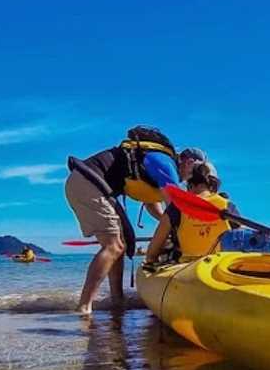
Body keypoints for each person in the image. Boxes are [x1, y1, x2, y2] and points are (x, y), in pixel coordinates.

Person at [64, 126, 208, 314]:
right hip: (89, 183)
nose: (192, 177)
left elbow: (152, 204)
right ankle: (84, 306)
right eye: (196, 170)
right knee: (113, 246)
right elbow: (175, 209)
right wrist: (177, 233)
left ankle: (117, 300)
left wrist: (165, 226)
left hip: (88, 183)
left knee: (120, 244)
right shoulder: (166, 165)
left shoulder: (160, 163)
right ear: (188, 162)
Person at [143, 160, 235, 265]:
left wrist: (153, 262)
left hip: (187, 268)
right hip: (219, 267)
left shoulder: (177, 206)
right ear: (213, 185)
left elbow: (152, 252)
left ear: (190, 185)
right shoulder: (227, 205)